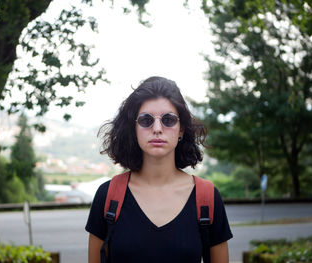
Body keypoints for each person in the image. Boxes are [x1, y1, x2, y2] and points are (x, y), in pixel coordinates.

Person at [85, 76, 233, 263]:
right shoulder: (108, 197)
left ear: (181, 130)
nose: (157, 128)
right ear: (134, 128)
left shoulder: (207, 198)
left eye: (168, 120)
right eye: (146, 120)